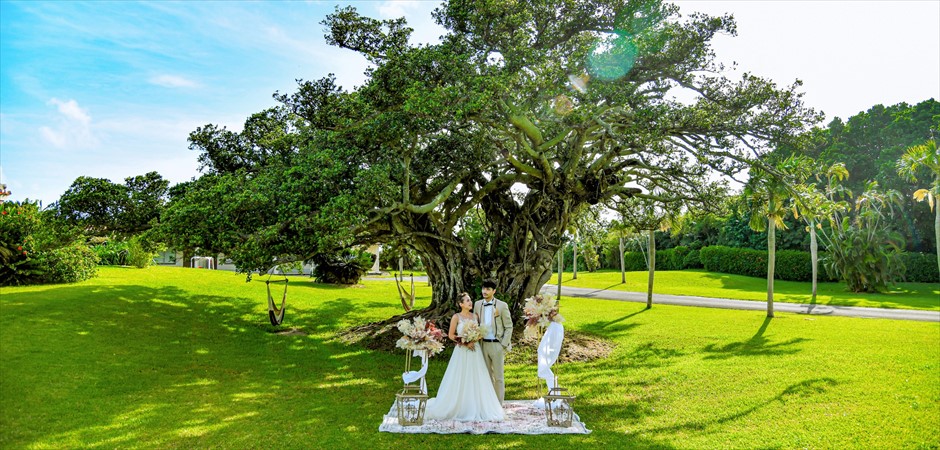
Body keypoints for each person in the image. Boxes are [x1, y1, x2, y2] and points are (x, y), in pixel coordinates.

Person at [424, 293, 504, 421]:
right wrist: (465, 342)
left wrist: (475, 338)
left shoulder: (475, 316)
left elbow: (480, 332)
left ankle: (477, 405)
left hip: (475, 350)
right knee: (460, 376)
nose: (470, 302)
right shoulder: (456, 317)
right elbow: (450, 335)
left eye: (470, 300)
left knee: (477, 376)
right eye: (467, 300)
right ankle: (459, 406)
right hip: (462, 350)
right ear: (461, 304)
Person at [473, 278, 513, 404]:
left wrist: (503, 344)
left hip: (497, 344)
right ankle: (488, 403)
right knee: (486, 375)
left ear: (494, 291)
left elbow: (509, 326)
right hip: (483, 344)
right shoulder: (477, 304)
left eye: (488, 289)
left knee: (499, 377)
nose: (485, 291)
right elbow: (475, 323)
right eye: (483, 288)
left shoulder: (502, 306)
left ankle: (499, 404)